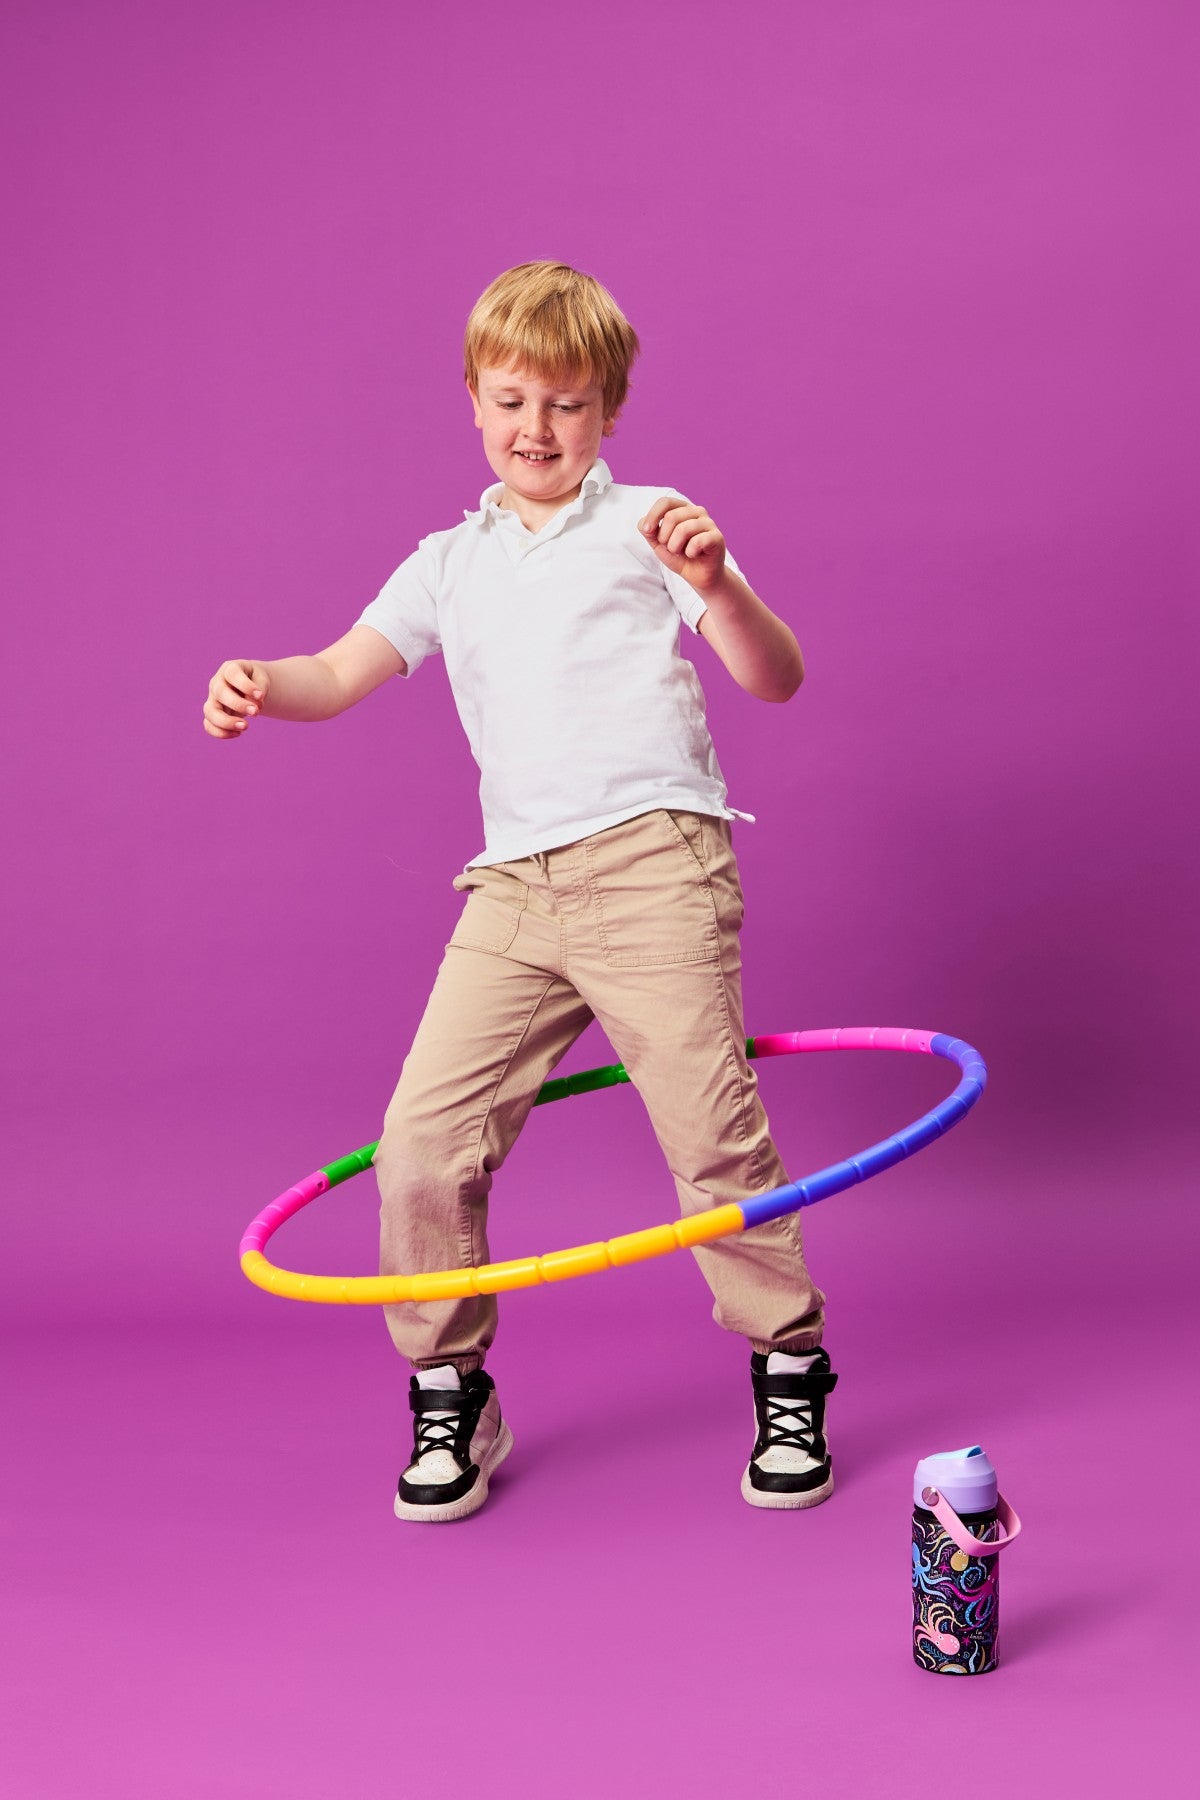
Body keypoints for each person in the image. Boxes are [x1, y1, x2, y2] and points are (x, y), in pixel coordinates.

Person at [203, 260, 837, 1523]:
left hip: (655, 866)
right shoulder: (447, 563)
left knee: (712, 1137)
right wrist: (264, 684)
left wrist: (718, 582)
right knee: (423, 1144)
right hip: (512, 893)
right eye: (510, 401)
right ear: (473, 402)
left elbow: (777, 677)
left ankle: (789, 1365)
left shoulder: (652, 524)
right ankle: (452, 1392)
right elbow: (338, 671)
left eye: (566, 403)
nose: (536, 428)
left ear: (609, 410)